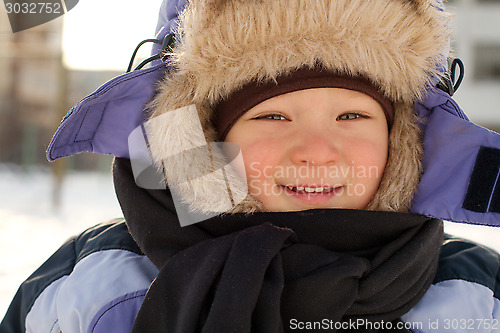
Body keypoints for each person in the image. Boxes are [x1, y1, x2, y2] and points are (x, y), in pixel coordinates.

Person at [1, 0, 500, 332]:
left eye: (352, 115)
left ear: (402, 144)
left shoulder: (476, 297)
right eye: (273, 115)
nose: (316, 152)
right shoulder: (87, 287)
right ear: (202, 137)